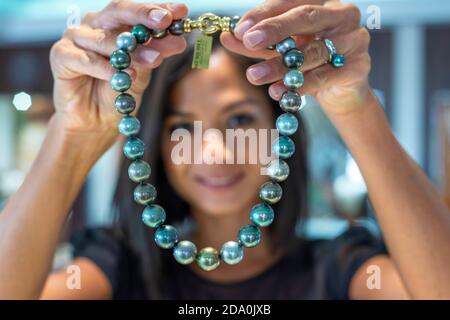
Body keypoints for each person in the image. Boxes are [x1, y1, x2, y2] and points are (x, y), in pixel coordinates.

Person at [0, 0, 449, 300]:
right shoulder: (115, 266)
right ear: (157, 142)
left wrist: (357, 108)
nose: (214, 151)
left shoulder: (340, 267)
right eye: (182, 128)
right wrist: (71, 136)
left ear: (280, 130)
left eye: (239, 120)